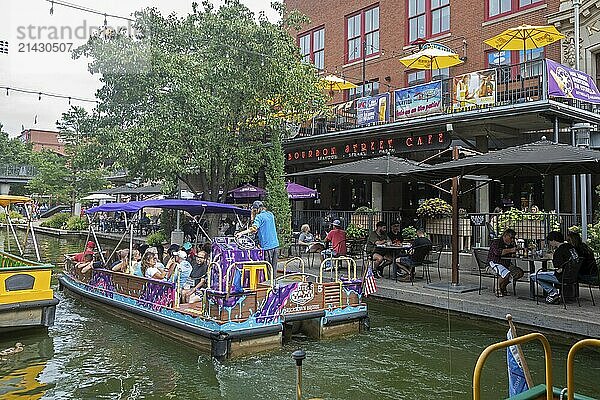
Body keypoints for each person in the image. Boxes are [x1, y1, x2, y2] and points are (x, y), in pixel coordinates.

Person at [531, 231, 580, 304]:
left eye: (550, 241)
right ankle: (554, 294)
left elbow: (559, 270)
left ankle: (552, 293)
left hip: (562, 277)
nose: (550, 243)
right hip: (574, 276)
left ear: (553, 240)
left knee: (533, 276)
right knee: (546, 274)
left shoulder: (558, 252)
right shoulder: (571, 247)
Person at [235, 200, 279, 269]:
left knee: (268, 270)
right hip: (275, 245)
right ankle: (274, 280)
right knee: (274, 268)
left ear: (256, 210)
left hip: (267, 246)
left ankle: (268, 280)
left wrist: (241, 233)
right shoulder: (270, 214)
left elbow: (254, 229)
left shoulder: (259, 217)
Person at [487, 228, 525, 296]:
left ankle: (502, 286)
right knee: (506, 274)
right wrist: (510, 250)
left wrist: (516, 251)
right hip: (495, 263)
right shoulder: (496, 242)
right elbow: (497, 252)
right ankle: (497, 288)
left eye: (513, 238)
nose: (512, 239)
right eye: (511, 237)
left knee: (519, 273)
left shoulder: (511, 244)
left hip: (506, 264)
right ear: (505, 235)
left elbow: (512, 254)